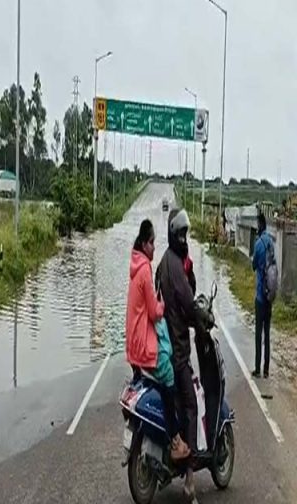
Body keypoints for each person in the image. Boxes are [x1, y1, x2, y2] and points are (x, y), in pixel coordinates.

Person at [125, 219, 189, 461]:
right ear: (144, 243)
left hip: (132, 343)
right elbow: (154, 311)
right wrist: (163, 305)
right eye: (151, 243)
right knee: (170, 378)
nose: (154, 247)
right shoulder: (144, 270)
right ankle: (174, 440)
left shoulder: (135, 266)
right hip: (144, 344)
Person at [156, 208, 205, 498]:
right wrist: (201, 321)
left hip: (164, 347)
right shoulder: (176, 266)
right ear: (175, 234)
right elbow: (188, 304)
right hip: (178, 352)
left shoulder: (164, 262)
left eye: (187, 234)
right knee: (191, 405)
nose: (185, 238)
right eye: (182, 234)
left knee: (176, 403)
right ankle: (189, 475)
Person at [252, 212, 275, 378]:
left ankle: (258, 369)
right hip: (270, 296)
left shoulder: (258, 244)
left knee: (258, 333)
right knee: (267, 334)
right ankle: (267, 370)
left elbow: (254, 265)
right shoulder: (271, 242)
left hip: (260, 296)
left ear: (260, 225)